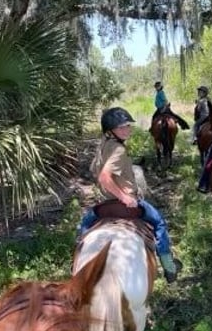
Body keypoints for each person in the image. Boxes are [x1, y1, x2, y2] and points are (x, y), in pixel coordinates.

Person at [77, 107, 182, 282]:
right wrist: (124, 197)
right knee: (159, 223)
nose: (128, 129)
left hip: (105, 204)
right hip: (125, 203)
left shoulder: (102, 144)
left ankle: (79, 257)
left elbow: (94, 170)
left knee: (85, 225)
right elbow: (104, 177)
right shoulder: (118, 150)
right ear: (111, 130)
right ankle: (169, 268)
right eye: (122, 127)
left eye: (128, 125)